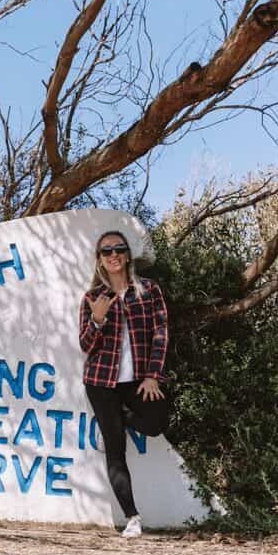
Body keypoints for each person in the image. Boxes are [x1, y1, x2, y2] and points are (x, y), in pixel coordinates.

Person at [79, 230, 170, 538]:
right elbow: (86, 345)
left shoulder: (149, 291)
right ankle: (132, 517)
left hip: (138, 381)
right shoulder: (93, 298)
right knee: (115, 449)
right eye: (106, 251)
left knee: (156, 422)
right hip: (101, 382)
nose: (113, 254)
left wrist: (152, 374)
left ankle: (120, 417)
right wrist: (98, 320)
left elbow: (161, 333)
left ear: (128, 255)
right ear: (100, 260)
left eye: (119, 249)